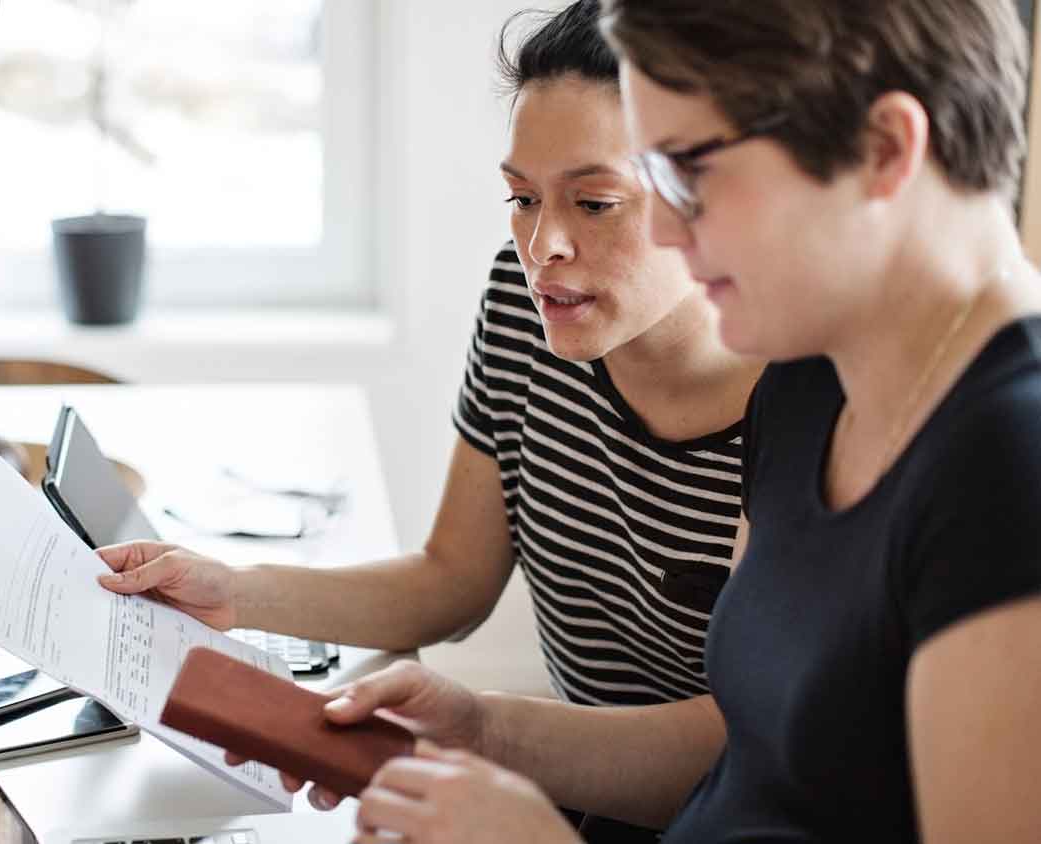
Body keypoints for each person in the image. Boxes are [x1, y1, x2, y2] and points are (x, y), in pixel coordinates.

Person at [268, 1, 1041, 841]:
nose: (668, 226)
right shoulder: (808, 384)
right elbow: (748, 763)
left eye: (694, 171)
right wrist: (483, 733)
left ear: (885, 150)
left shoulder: (1011, 465)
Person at [99, 0, 762, 712]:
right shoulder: (524, 298)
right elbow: (451, 583)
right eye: (522, 197)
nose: (542, 247)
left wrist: (480, 733)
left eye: (594, 203)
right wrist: (233, 588)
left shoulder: (802, 395)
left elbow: (743, 744)